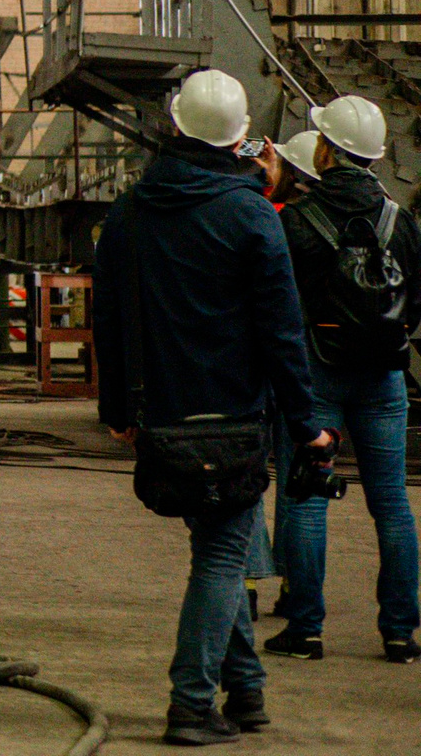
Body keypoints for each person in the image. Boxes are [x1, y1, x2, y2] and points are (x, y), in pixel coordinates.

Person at [94, 69, 333, 746]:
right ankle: (192, 705)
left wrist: (118, 408)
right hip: (234, 418)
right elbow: (282, 334)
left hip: (163, 416)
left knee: (217, 547)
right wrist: (307, 425)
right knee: (224, 557)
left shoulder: (130, 212)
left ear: (175, 126)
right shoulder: (252, 215)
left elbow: (107, 320)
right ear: (239, 139)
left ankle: (247, 691)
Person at [269, 95, 420, 665]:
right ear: (374, 157)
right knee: (392, 504)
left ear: (326, 152)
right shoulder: (401, 221)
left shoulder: (295, 221)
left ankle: (305, 630)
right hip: (383, 378)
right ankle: (400, 633)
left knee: (308, 500)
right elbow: (414, 301)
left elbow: (278, 305)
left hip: (316, 373)